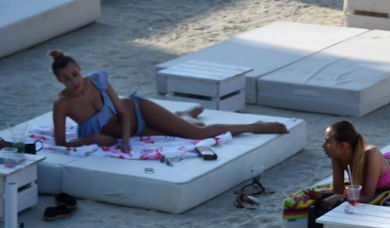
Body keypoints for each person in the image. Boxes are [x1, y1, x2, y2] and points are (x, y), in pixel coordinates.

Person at [48, 50, 287, 153]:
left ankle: (256, 126)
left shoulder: (97, 80)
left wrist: (124, 140)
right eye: (67, 79)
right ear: (60, 81)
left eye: (75, 74)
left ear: (80, 69)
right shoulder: (63, 105)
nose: (74, 81)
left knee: (197, 135)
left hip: (137, 114)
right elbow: (60, 142)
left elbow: (122, 112)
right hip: (130, 133)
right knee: (190, 130)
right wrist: (93, 139)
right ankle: (185, 115)